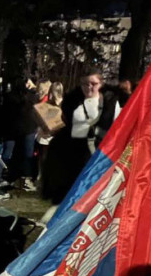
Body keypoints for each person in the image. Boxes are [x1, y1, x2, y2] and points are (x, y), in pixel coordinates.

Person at [42, 70, 120, 204]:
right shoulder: (72, 101)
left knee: (90, 194)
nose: (89, 87)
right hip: (72, 154)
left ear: (100, 84)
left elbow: (116, 127)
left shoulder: (111, 103)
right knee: (68, 194)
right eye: (85, 84)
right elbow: (66, 123)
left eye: (93, 84)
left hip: (97, 153)